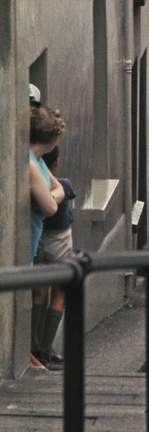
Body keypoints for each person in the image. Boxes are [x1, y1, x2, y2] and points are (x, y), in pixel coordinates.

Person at [29, 105, 66, 371]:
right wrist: (52, 198)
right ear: (51, 138)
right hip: (31, 231)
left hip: (36, 230)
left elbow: (58, 188)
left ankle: (32, 351)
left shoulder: (38, 161)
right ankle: (29, 352)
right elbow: (51, 205)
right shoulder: (31, 163)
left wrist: (52, 196)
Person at [32, 145, 75, 370]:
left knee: (39, 293)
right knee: (60, 294)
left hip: (39, 243)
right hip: (60, 245)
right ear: (56, 162)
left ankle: (32, 346)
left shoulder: (32, 186)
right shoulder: (63, 185)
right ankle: (46, 349)